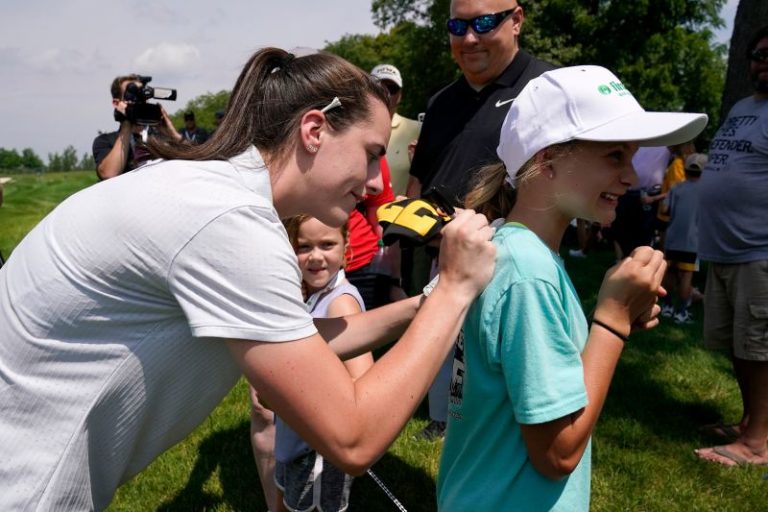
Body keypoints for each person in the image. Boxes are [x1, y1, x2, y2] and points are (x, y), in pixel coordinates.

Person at [0, 48, 496, 510]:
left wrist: (425, 302)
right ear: (314, 130)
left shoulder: (214, 192)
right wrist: (454, 290)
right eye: (370, 152)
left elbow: (299, 341)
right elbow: (353, 437)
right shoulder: (230, 222)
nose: (373, 181)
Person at [437, 65, 707, 511]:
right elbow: (558, 451)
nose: (632, 177)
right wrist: (612, 322)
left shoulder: (513, 251)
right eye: (614, 156)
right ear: (547, 161)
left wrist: (595, 334)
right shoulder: (530, 274)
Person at [406, 0, 554, 439]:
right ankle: (445, 422)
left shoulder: (545, 86)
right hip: (447, 254)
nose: (469, 38)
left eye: (484, 23)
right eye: (457, 25)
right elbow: (421, 177)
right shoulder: (442, 101)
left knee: (515, 370)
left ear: (517, 20)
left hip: (517, 260)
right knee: (447, 346)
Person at [694, 26, 768, 467]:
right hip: (723, 249)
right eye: (757, 55)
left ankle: (758, 444)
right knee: (740, 346)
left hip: (760, 251)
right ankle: (750, 422)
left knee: (759, 347)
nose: (762, 61)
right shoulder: (744, 107)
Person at [273, 215, 374, 512]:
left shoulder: (339, 304)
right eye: (304, 246)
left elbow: (363, 382)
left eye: (327, 244)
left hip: (318, 450)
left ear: (347, 247)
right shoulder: (316, 294)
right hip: (298, 437)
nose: (315, 256)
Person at [92, 74, 181, 180]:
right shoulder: (105, 141)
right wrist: (127, 125)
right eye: (133, 94)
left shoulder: (161, 138)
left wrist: (173, 134)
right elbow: (108, 174)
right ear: (117, 103)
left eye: (142, 95)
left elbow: (195, 161)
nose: (140, 101)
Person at [659, 153, 708, 324]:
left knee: (671, 272)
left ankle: (666, 306)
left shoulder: (675, 188)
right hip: (692, 241)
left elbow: (665, 210)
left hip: (673, 238)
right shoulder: (706, 191)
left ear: (685, 170)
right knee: (686, 276)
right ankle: (681, 312)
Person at [371, 64, 422, 197]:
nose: (386, 93)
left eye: (392, 88)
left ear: (400, 95)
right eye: (380, 88)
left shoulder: (417, 129)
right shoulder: (352, 128)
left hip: (398, 214)